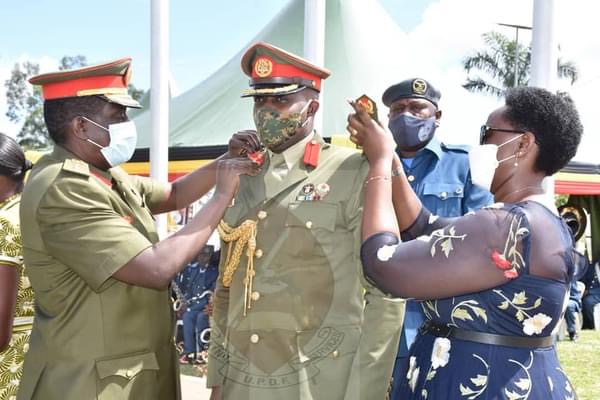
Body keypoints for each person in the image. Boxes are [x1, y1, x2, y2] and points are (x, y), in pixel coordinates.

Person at [17, 58, 259, 400]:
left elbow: (174, 194)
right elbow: (156, 268)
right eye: (117, 115)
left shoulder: (104, 175)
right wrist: (222, 194)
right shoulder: (64, 187)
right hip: (90, 381)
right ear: (81, 127)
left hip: (126, 372)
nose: (127, 124)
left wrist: (226, 159)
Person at [349, 86, 582, 399]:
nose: (481, 145)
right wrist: (391, 158)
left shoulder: (502, 226)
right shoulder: (534, 219)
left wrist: (377, 164)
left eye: (488, 133)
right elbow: (424, 226)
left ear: (523, 144)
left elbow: (381, 262)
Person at [207, 42, 404, 400]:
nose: (266, 111)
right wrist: (219, 382)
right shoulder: (242, 175)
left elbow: (387, 293)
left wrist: (366, 390)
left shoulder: (351, 170)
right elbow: (226, 289)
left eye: (280, 101)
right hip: (244, 380)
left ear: (312, 106)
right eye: (259, 101)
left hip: (319, 382)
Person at [379, 78, 493, 399]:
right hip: (376, 320)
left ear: (437, 116)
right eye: (398, 109)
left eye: (417, 108)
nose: (407, 115)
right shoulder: (368, 167)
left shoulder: (465, 163)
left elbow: (479, 240)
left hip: (443, 323)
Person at [0, 133, 34, 399]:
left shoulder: (4, 223)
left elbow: (1, 331)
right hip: (38, 356)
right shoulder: (33, 209)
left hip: (8, 366)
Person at [175, 244, 219, 364]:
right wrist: (184, 304)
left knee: (200, 318)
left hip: (205, 306)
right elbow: (189, 290)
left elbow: (211, 292)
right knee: (187, 317)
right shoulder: (193, 270)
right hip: (193, 306)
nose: (203, 258)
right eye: (201, 255)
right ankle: (189, 352)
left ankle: (201, 352)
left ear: (210, 257)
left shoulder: (214, 272)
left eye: (206, 256)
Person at [581, 258, 600, 329]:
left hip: (597, 293)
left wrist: (589, 291)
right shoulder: (591, 267)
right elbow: (584, 280)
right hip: (588, 293)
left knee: (588, 302)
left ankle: (591, 325)